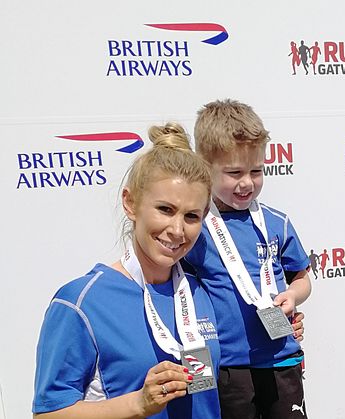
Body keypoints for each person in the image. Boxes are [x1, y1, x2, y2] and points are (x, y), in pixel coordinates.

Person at [33, 123, 221, 418]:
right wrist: (138, 404)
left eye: (191, 216)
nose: (177, 230)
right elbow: (47, 414)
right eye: (165, 209)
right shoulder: (81, 302)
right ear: (131, 203)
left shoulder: (201, 292)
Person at [185, 99, 312, 419]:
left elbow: (302, 278)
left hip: (281, 359)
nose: (247, 182)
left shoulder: (277, 222)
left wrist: (292, 296)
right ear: (205, 167)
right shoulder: (193, 228)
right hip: (225, 368)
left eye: (256, 171)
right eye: (233, 172)